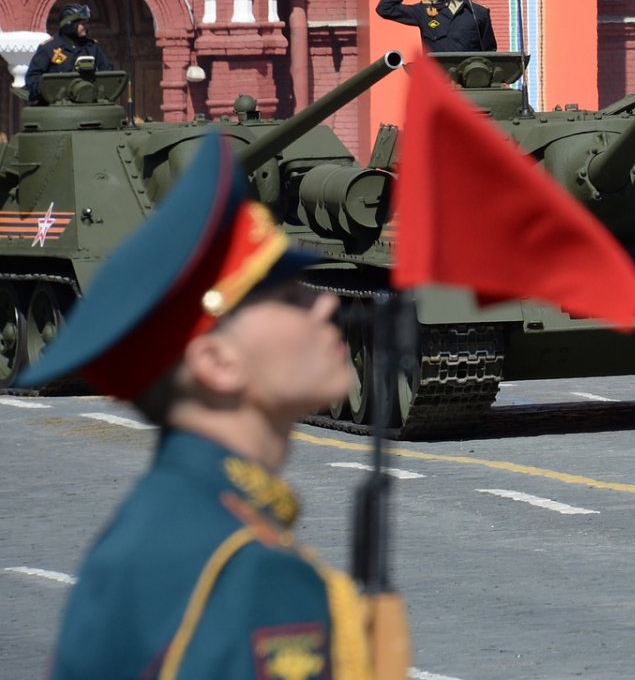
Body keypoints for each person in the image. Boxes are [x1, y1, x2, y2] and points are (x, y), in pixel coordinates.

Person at [20, 135, 372, 679]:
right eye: (286, 295)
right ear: (217, 363)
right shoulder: (253, 573)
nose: (325, 301)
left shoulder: (153, 530)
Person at [25, 3, 115, 103]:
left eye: (87, 22)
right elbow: (33, 78)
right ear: (69, 24)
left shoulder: (92, 47)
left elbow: (108, 73)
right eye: (82, 23)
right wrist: (47, 91)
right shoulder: (48, 48)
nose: (86, 26)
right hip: (57, 107)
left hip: (88, 104)